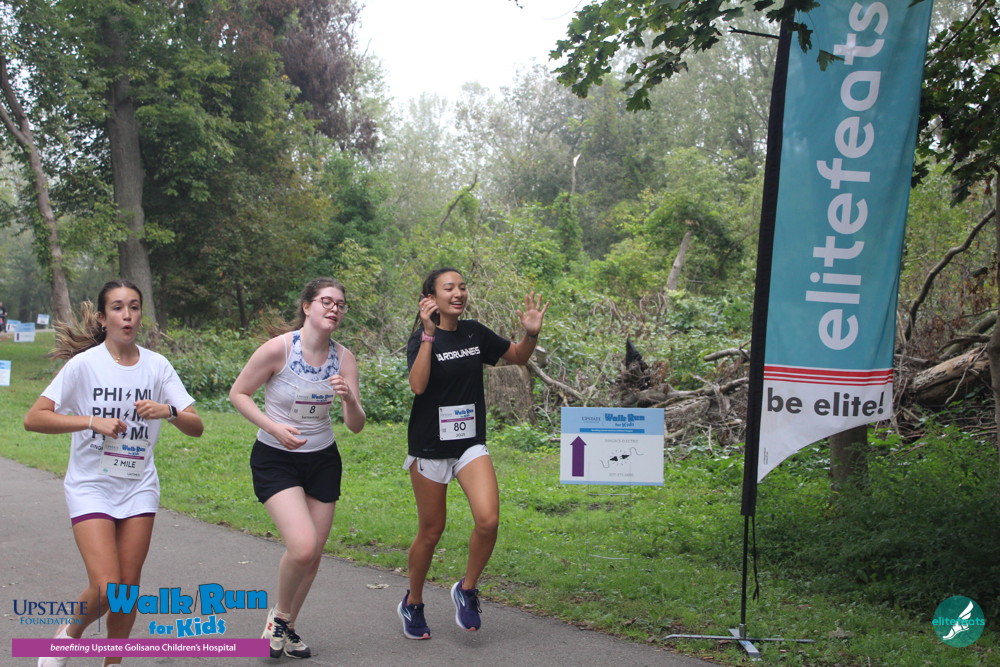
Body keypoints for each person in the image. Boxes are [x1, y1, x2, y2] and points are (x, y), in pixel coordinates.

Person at [23, 280, 204, 667]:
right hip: (91, 486)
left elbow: (196, 425)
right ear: (104, 318)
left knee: (127, 589)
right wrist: (91, 421)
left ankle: (113, 663)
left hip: (138, 486)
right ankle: (68, 638)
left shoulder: (158, 366)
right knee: (107, 587)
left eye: (134, 307)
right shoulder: (85, 365)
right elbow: (34, 418)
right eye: (118, 308)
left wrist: (168, 411)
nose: (127, 315)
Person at [397, 267, 548, 639]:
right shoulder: (421, 339)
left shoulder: (475, 332)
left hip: (469, 444)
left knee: (488, 520)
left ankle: (467, 589)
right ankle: (413, 601)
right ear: (431, 298)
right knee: (431, 531)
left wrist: (531, 334)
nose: (458, 293)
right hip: (430, 446)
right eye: (449, 288)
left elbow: (518, 356)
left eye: (462, 287)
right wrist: (429, 334)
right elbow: (418, 386)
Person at [229, 277, 365, 659]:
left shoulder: (345, 358)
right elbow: (238, 393)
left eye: (341, 304)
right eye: (327, 301)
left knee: (314, 553)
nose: (335, 308)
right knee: (302, 546)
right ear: (307, 306)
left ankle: (284, 625)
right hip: (276, 457)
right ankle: (280, 618)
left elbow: (355, 425)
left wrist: (349, 399)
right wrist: (274, 427)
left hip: (322, 459)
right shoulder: (279, 349)